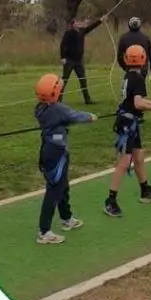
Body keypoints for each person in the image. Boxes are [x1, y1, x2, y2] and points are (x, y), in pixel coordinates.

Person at [104, 45, 151, 217]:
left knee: (139, 156)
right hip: (128, 124)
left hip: (128, 121)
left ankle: (145, 190)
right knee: (124, 162)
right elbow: (138, 103)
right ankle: (110, 200)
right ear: (143, 59)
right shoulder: (139, 78)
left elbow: (138, 100)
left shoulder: (128, 76)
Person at [33, 73, 96, 245]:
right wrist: (90, 117)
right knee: (54, 190)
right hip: (56, 153)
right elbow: (75, 115)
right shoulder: (57, 109)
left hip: (51, 150)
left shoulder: (40, 108)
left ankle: (66, 218)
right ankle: (44, 231)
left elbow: (64, 118)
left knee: (63, 186)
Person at [59, 15, 103, 104]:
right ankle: (58, 99)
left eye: (80, 22)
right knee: (65, 80)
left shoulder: (82, 31)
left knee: (83, 80)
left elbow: (91, 27)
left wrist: (100, 20)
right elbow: (62, 45)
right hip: (69, 60)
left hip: (78, 61)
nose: (79, 23)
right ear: (73, 24)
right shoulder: (68, 33)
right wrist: (63, 57)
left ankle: (87, 100)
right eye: (77, 22)